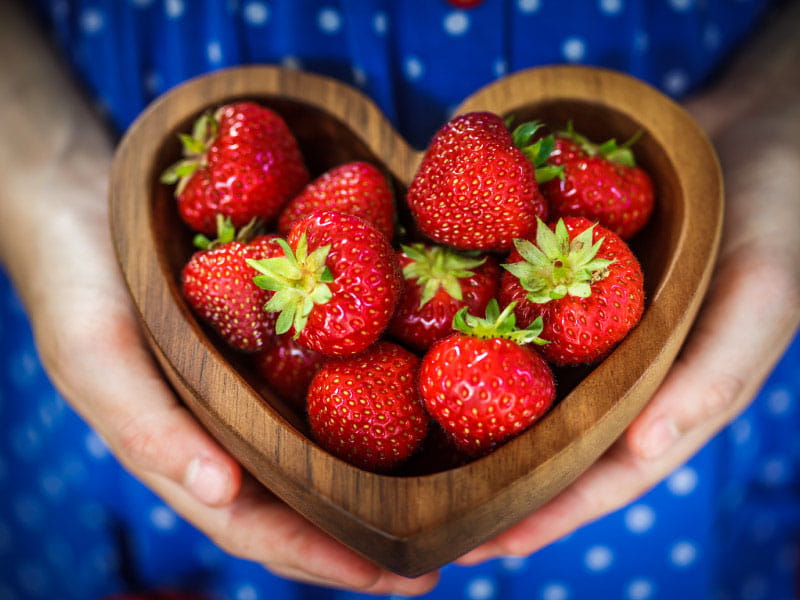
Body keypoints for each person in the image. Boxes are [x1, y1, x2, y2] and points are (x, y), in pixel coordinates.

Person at [0, 0, 798, 598]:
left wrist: (783, 118)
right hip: (110, 160)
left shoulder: (489, 283)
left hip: (704, 157)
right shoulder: (334, 272)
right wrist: (40, 170)